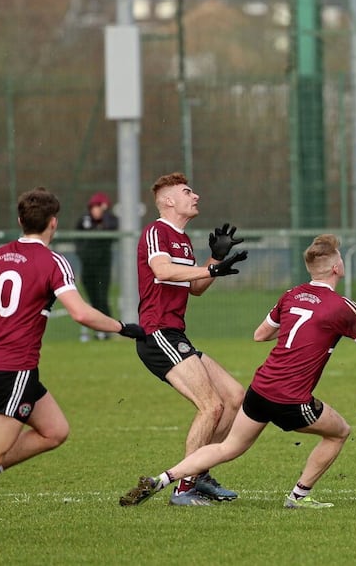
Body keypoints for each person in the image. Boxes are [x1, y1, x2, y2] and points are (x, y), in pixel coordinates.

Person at [118, 234, 356, 510]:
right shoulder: (343, 308)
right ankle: (299, 497)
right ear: (338, 267)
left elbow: (260, 334)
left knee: (228, 448)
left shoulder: (291, 294)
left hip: (260, 389)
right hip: (291, 398)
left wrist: (300, 323)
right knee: (339, 432)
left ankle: (163, 479)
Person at [0, 187, 146, 544]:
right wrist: (124, 327)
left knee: (55, 430)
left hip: (1, 366)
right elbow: (80, 313)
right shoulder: (52, 262)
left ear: (19, 221)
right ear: (53, 223)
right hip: (13, 370)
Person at [130, 172, 248, 506]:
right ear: (168, 201)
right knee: (210, 406)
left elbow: (194, 288)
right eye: (187, 191)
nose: (195, 196)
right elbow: (163, 272)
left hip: (175, 333)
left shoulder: (182, 239)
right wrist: (211, 270)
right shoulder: (157, 232)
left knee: (235, 397)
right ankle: (184, 488)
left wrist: (214, 259)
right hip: (157, 333)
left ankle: (199, 475)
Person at [75, 191, 119, 342]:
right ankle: (96, 330)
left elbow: (112, 227)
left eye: (99, 207)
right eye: (93, 207)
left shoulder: (110, 221)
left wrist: (104, 215)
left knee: (102, 298)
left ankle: (107, 330)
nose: (95, 210)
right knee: (91, 299)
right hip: (87, 266)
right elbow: (77, 240)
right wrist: (82, 254)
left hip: (102, 266)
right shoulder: (84, 221)